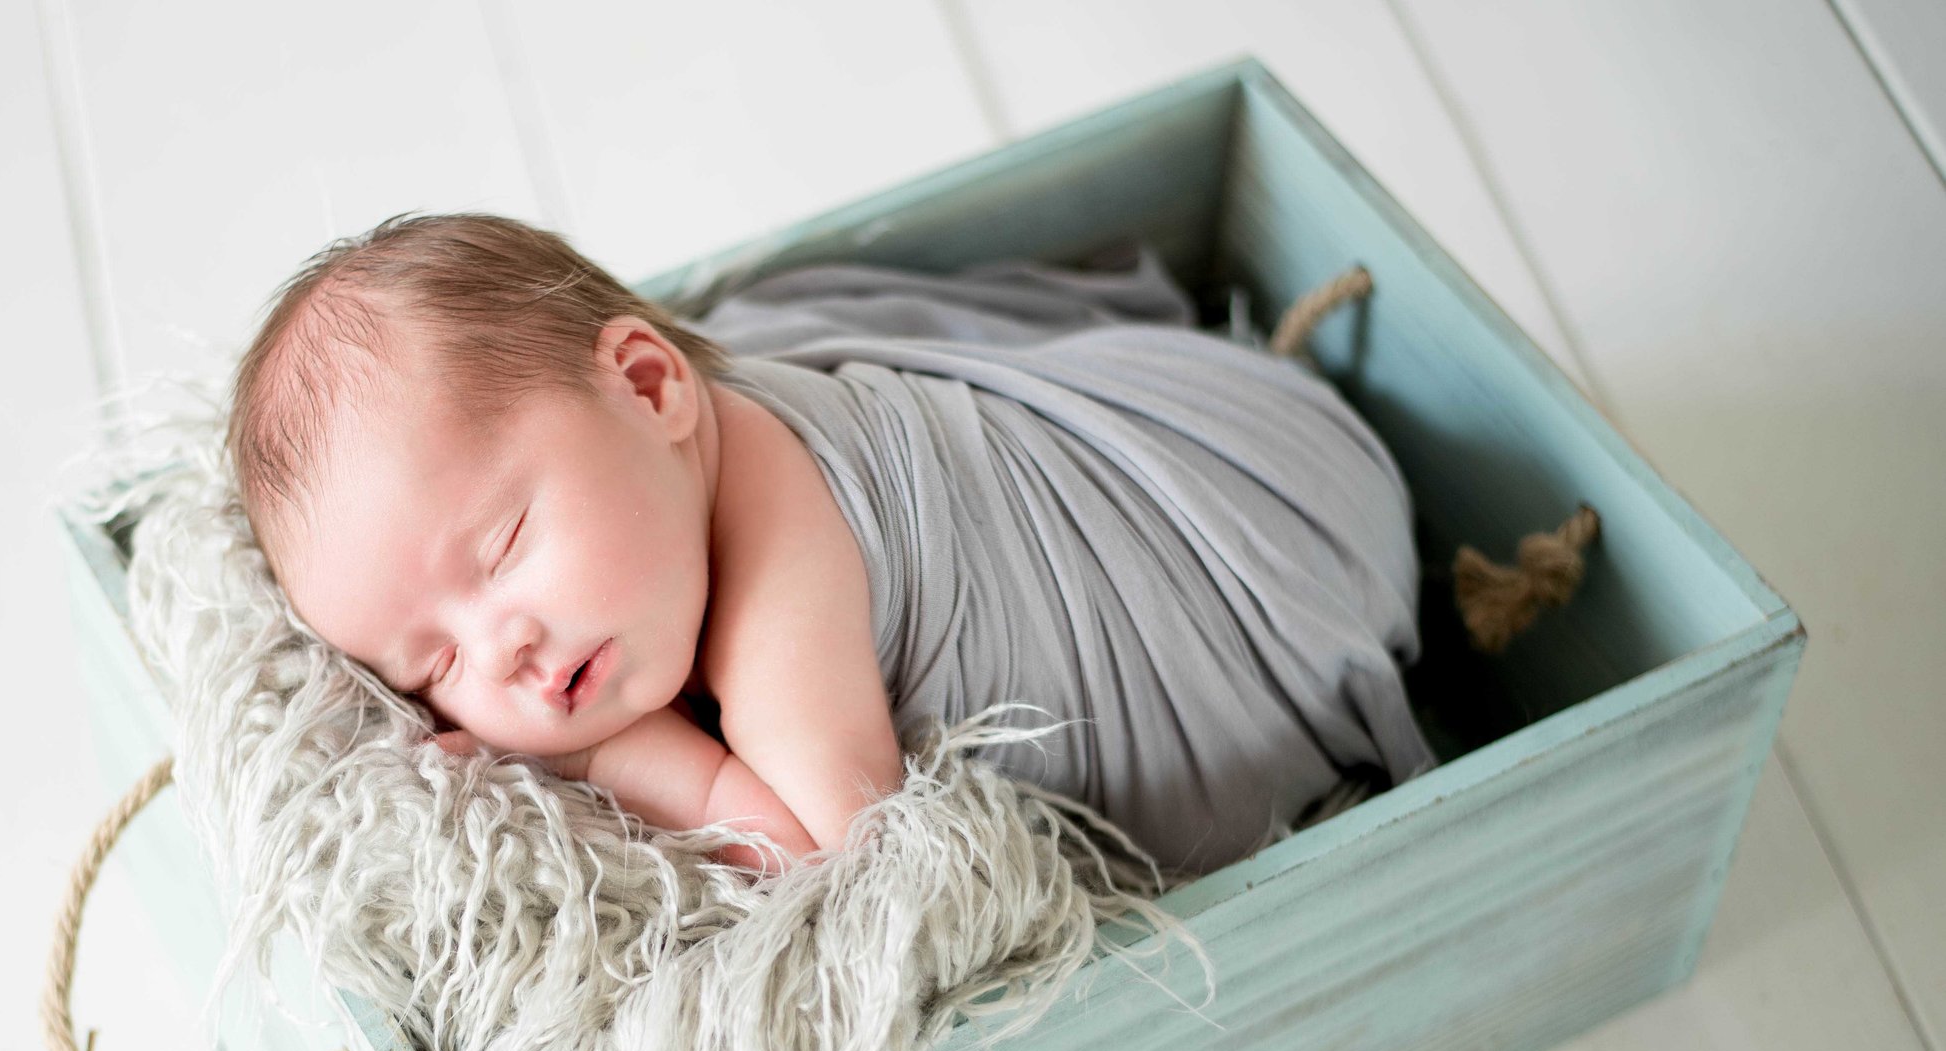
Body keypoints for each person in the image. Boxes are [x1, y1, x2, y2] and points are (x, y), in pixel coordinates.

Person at [225, 211, 1433, 879]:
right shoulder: (665, 474)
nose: (501, 653)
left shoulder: (774, 595)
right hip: (1223, 412)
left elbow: (835, 858)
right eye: (428, 666)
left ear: (650, 387)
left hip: (1269, 558)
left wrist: (617, 761)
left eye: (503, 549)